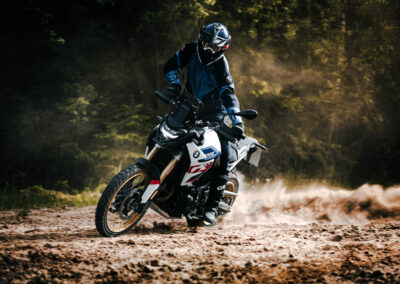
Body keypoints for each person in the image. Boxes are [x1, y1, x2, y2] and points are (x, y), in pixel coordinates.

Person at [162, 22, 244, 224]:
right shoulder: (191, 49)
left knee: (223, 154)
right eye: (206, 43)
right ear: (201, 39)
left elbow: (229, 94)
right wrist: (174, 85)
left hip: (214, 114)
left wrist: (237, 121)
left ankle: (211, 209)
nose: (208, 49)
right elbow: (171, 64)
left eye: (213, 47)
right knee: (165, 133)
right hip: (188, 105)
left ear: (223, 48)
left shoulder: (221, 66)